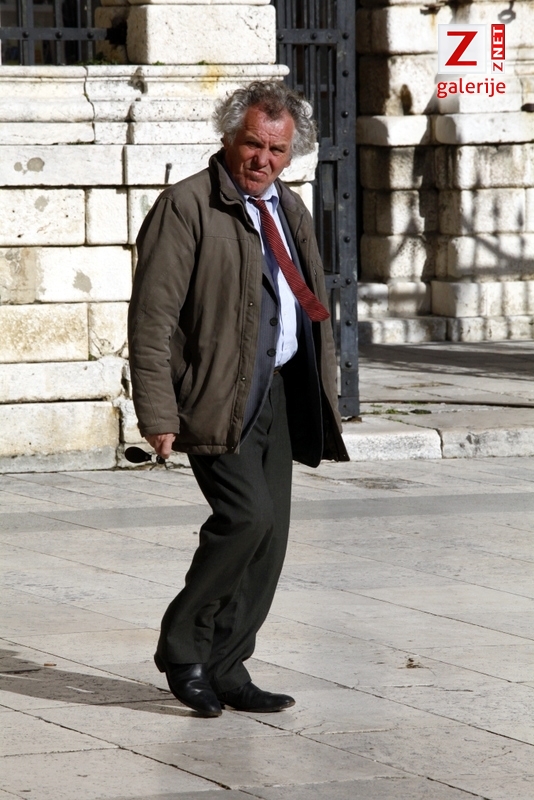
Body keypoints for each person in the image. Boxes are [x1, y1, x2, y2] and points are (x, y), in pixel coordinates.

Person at [128, 81, 349, 718]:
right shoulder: (186, 206)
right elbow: (152, 319)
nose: (262, 159)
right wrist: (158, 412)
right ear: (229, 137)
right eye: (253, 144)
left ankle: (226, 665)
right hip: (216, 395)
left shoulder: (291, 208)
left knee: (271, 537)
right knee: (246, 517)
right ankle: (182, 648)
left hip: (280, 392)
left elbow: (306, 303)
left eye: (277, 150)